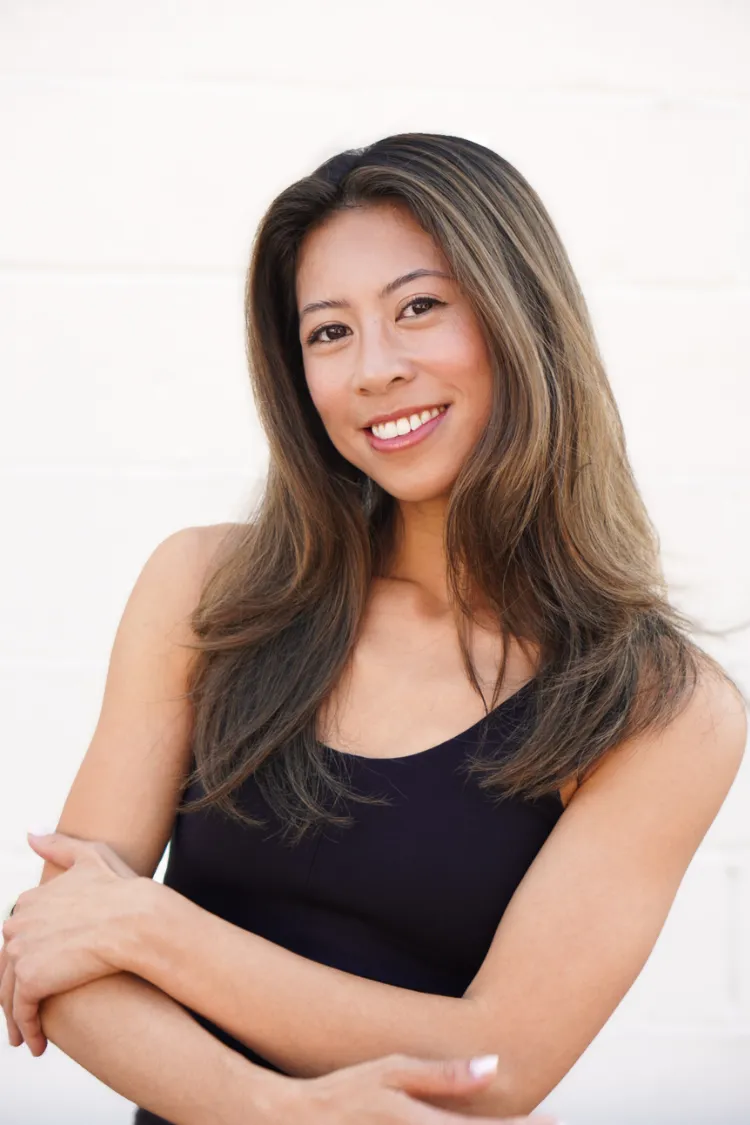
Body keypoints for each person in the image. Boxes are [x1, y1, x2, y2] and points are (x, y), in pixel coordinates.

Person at [1, 132, 746, 1125]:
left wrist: (152, 929)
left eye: (419, 308)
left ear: (520, 316)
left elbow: (503, 1056)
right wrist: (270, 1112)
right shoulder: (207, 593)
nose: (375, 369)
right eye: (329, 333)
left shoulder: (661, 707)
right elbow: (56, 947)